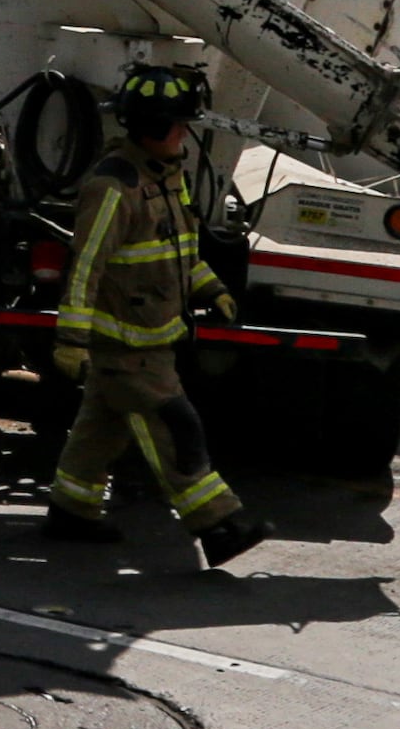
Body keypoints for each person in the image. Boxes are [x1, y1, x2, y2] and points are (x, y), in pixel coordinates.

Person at [47, 63, 268, 566]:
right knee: (176, 430)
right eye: (180, 124)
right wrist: (72, 340)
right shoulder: (113, 187)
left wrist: (212, 289)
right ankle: (218, 525)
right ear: (155, 128)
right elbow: (85, 266)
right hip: (128, 343)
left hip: (151, 335)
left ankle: (71, 510)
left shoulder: (167, 176)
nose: (186, 133)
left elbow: (179, 249)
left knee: (101, 426)